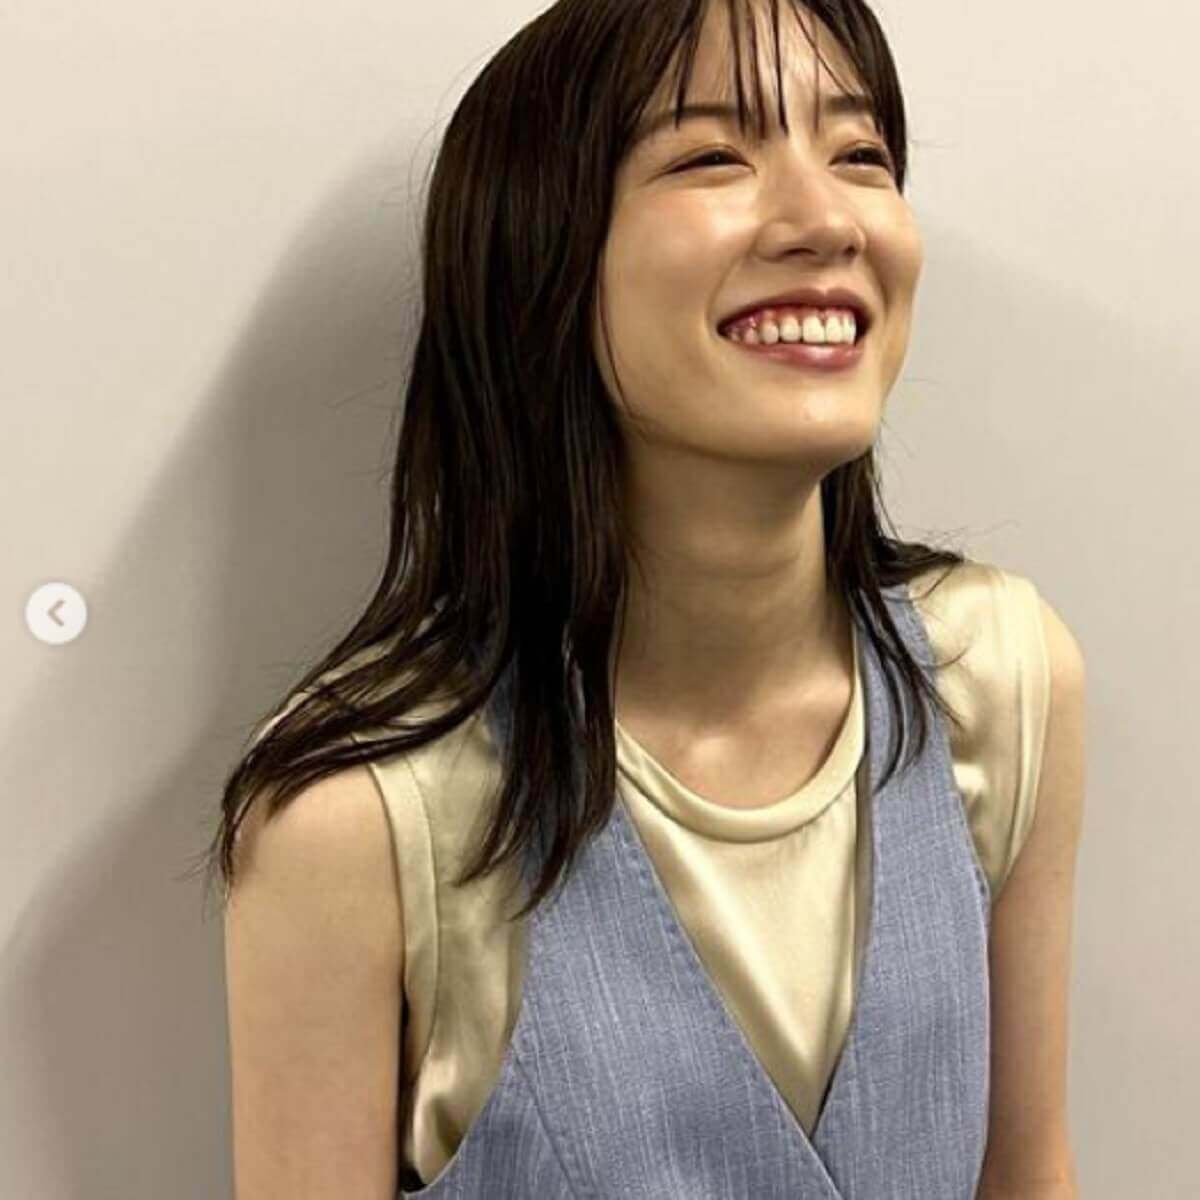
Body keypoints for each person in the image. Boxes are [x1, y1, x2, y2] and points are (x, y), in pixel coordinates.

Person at [207, 1, 1086, 1195]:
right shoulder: (356, 816)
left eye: (861, 154)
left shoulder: (999, 676)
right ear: (540, 257)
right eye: (713, 155)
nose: (826, 219)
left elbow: (1029, 1174)